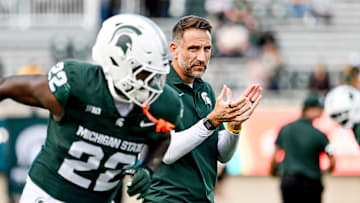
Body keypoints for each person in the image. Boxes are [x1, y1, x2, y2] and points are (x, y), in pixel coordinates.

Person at [0, 14, 184, 203]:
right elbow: (6, 86)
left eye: (155, 76)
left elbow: (162, 138)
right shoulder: (78, 86)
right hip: (49, 195)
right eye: (144, 73)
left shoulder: (163, 106)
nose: (151, 84)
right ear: (115, 61)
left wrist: (148, 167)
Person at [143, 15, 263, 203]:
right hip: (167, 199)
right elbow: (166, 152)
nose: (202, 57)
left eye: (207, 49)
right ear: (174, 49)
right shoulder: (159, 87)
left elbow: (222, 155)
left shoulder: (204, 88)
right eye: (194, 49)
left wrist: (234, 126)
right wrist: (211, 121)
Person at [270, 94, 336, 203]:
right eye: (320, 108)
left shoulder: (286, 129)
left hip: (289, 181)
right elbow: (332, 162)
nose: (322, 112)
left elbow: (274, 157)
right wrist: (325, 171)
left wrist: (273, 171)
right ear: (309, 109)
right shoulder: (320, 135)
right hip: (311, 183)